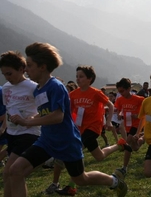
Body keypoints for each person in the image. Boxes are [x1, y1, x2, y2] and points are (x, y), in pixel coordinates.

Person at [8, 42, 127, 197]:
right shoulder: (38, 89)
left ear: (42, 66)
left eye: (29, 65)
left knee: (81, 179)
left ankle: (115, 181)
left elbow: (58, 116)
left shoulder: (55, 86)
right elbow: (46, 113)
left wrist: (27, 122)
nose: (26, 70)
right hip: (46, 141)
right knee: (15, 171)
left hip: (67, 142)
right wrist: (31, 117)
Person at [54, 66, 132, 195]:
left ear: (90, 79)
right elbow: (68, 112)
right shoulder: (73, 95)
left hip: (94, 127)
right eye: (77, 76)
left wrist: (107, 122)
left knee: (78, 148)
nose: (78, 79)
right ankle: (120, 145)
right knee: (99, 156)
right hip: (79, 128)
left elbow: (110, 105)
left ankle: (71, 186)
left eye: (81, 76)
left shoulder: (95, 93)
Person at [0, 51, 41, 197]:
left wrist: (30, 120)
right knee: (13, 175)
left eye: (9, 73)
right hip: (12, 134)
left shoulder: (33, 87)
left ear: (21, 69)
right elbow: (8, 109)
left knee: (8, 171)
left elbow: (44, 110)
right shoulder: (5, 88)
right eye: (4, 74)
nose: (7, 77)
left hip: (29, 133)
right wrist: (4, 127)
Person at [113, 78, 145, 178]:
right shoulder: (120, 100)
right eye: (119, 91)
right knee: (135, 148)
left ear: (129, 88)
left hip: (136, 124)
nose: (121, 93)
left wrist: (138, 115)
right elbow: (117, 108)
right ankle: (143, 138)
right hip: (128, 125)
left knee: (127, 143)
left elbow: (145, 109)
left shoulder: (139, 99)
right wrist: (119, 114)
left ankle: (124, 168)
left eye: (122, 91)